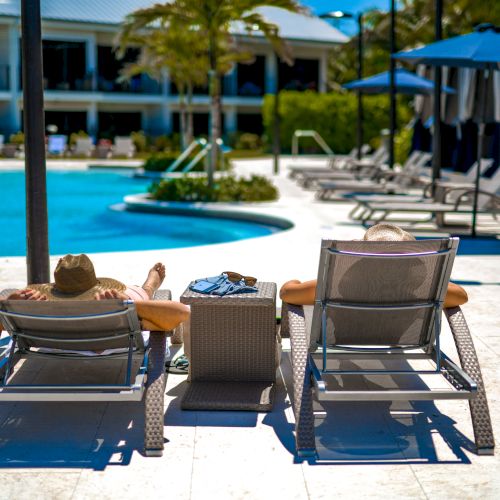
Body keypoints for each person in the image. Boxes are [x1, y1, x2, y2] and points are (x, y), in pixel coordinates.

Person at [279, 223, 468, 309]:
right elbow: (461, 296)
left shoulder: (333, 287)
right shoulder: (423, 293)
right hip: (402, 340)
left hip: (347, 339)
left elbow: (288, 293)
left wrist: (293, 281)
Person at [3, 254, 189, 332]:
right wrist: (129, 305)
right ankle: (148, 288)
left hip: (50, 338)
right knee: (137, 293)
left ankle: (145, 289)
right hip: (111, 325)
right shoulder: (112, 311)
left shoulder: (39, 308)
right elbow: (182, 313)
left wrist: (8, 307)